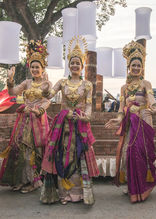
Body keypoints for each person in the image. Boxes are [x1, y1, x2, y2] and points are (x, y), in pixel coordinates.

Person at [40, 36, 99, 205]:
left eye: (77, 63)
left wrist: (85, 117)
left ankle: (79, 193)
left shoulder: (87, 84)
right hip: (63, 125)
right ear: (69, 65)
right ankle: (63, 194)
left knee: (79, 157)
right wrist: (44, 87)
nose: (74, 66)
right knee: (62, 154)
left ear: (82, 66)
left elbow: (88, 105)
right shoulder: (62, 82)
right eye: (72, 63)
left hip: (79, 124)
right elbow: (49, 96)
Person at [105, 40, 156, 203]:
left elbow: (151, 99)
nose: (136, 68)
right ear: (129, 66)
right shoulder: (124, 88)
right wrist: (118, 119)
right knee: (127, 154)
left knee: (142, 153)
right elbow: (121, 107)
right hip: (130, 124)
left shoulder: (146, 84)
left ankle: (143, 186)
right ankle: (132, 184)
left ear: (142, 67)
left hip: (144, 120)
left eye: (139, 65)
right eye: (133, 65)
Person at [0, 39, 51, 194]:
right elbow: (12, 93)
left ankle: (33, 182)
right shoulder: (27, 82)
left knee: (33, 150)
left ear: (42, 69)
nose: (35, 69)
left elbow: (47, 101)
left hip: (38, 119)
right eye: (32, 67)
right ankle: (20, 180)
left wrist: (39, 110)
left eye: (37, 67)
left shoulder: (47, 84)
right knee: (19, 149)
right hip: (24, 121)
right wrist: (9, 80)